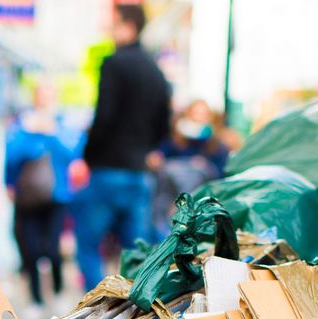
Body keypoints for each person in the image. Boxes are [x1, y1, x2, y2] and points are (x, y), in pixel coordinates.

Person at [73, 3, 171, 291]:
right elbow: (164, 123)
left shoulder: (114, 63)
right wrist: (146, 149)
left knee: (89, 245)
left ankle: (96, 309)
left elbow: (103, 117)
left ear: (128, 25)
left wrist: (88, 156)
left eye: (113, 24)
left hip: (108, 170)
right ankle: (132, 314)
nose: (109, 30)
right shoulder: (156, 70)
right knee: (136, 252)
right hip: (139, 172)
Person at [5, 82, 75, 319]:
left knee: (53, 250)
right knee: (31, 250)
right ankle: (35, 298)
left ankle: (57, 290)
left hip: (56, 196)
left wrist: (51, 133)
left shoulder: (63, 124)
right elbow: (11, 157)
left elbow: (72, 153)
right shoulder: (21, 125)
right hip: (26, 197)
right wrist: (31, 134)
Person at [147, 99, 229, 240]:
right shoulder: (173, 144)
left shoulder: (217, 148)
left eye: (203, 115)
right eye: (195, 114)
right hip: (169, 210)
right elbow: (156, 161)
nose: (199, 119)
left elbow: (220, 179)